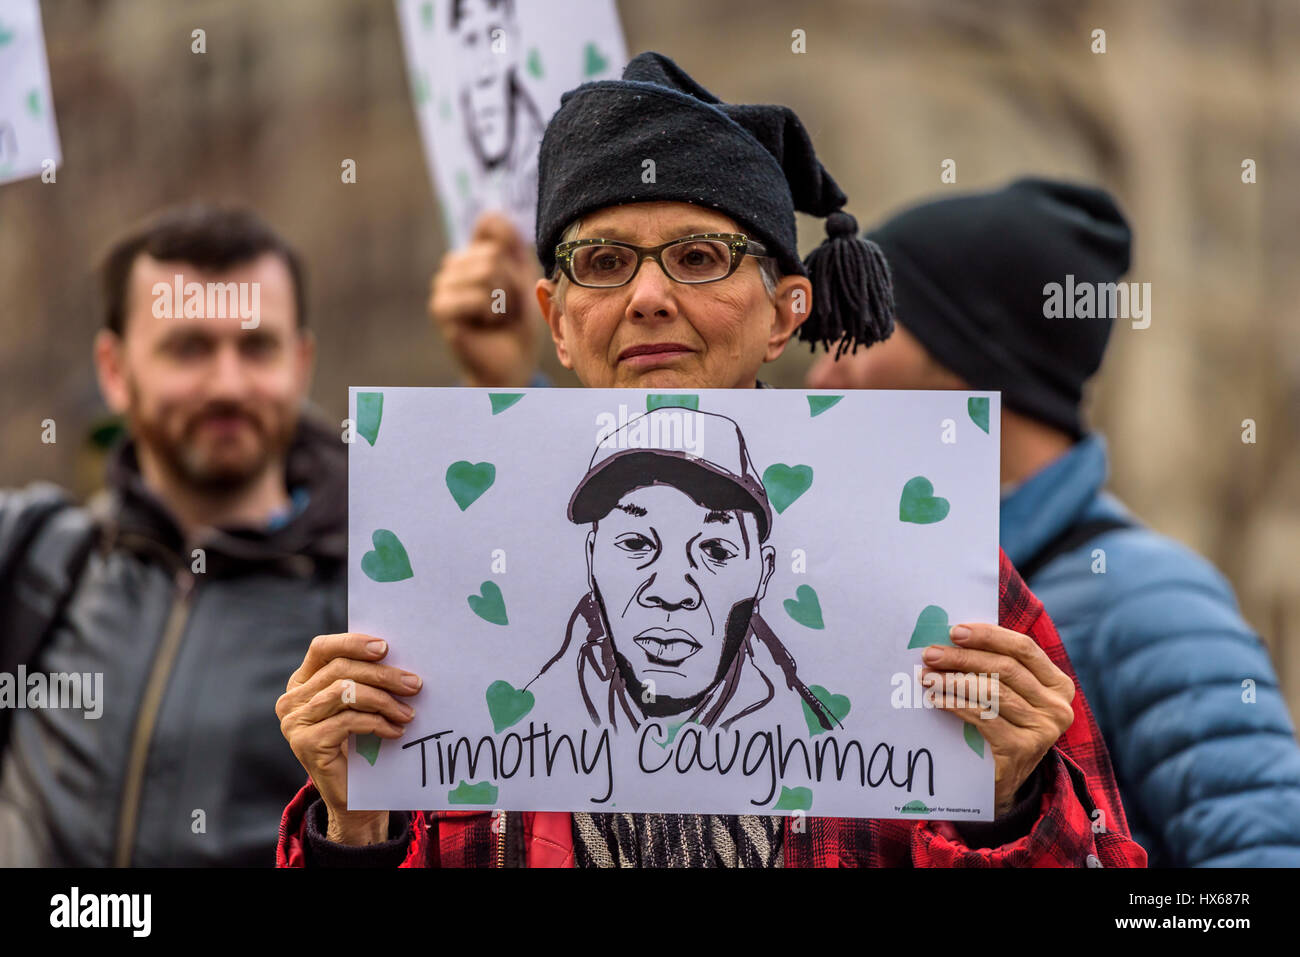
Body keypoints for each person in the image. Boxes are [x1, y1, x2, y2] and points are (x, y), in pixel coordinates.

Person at [277, 52, 1146, 868]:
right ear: (555, 318)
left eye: (699, 257)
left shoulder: (941, 581)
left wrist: (1012, 803)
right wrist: (353, 826)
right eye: (605, 262)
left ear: (786, 312)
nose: (649, 298)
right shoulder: (436, 595)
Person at [806, 177, 1300, 867]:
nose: (822, 372)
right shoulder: (897, 581)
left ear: (970, 354)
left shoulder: (1149, 597)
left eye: (860, 327)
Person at [0, 204, 346, 866]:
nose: (227, 383)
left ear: (300, 362)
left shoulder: (374, 601)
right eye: (189, 347)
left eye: (257, 346)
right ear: (113, 369)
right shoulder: (35, 557)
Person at [526, 407, 838, 733]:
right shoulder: (528, 721)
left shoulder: (815, 738)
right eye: (635, 544)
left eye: (715, 550)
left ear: (764, 573)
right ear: (591, 558)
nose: (671, 593)